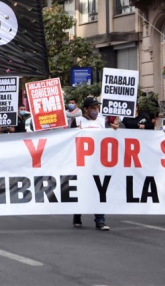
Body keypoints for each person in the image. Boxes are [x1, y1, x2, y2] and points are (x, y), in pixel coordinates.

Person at [72, 97, 116, 231]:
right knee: (82, 189)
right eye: (92, 108)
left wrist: (116, 128)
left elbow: (113, 136)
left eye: (97, 108)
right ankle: (77, 214)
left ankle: (100, 220)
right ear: (86, 109)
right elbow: (69, 139)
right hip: (82, 162)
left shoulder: (102, 122)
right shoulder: (77, 121)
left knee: (99, 190)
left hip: (99, 161)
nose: (95, 110)